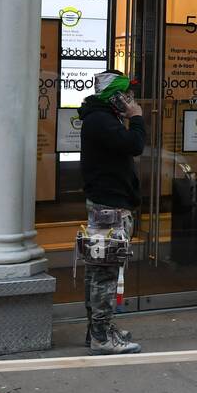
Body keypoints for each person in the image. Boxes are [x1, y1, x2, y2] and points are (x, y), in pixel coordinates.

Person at [78, 70, 146, 355]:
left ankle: (98, 330)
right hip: (110, 207)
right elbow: (135, 145)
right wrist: (138, 117)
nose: (130, 100)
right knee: (105, 272)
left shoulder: (102, 119)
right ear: (114, 96)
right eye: (126, 95)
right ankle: (102, 337)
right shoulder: (101, 121)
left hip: (109, 204)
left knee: (99, 271)